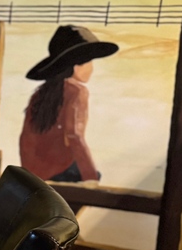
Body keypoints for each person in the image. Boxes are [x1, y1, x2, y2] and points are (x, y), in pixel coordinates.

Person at [19, 25, 118, 182]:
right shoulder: (77, 92)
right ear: (75, 65)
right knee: (93, 175)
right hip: (61, 171)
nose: (91, 68)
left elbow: (26, 139)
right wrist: (91, 178)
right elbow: (75, 135)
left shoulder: (40, 94)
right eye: (88, 62)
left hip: (34, 172)